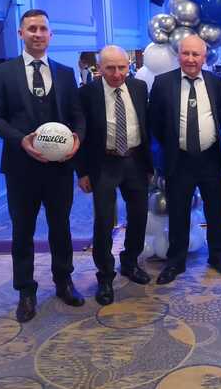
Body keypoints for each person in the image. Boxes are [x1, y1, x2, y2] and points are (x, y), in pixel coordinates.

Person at [0, 9, 85, 323]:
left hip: (59, 168)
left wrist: (78, 139)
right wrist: (21, 140)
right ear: (21, 33)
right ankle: (26, 291)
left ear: (50, 35)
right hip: (20, 168)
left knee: (61, 227)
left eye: (43, 29)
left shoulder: (65, 73)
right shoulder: (3, 72)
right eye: (32, 29)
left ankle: (64, 281)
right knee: (22, 230)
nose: (38, 34)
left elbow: (78, 116)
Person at [148, 34, 221, 284]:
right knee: (177, 212)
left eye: (196, 54)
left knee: (216, 211)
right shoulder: (163, 83)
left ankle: (219, 256)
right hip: (179, 160)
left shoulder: (217, 83)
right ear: (178, 55)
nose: (190, 59)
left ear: (204, 57)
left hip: (210, 158)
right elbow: (154, 123)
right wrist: (168, 150)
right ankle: (176, 261)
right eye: (186, 53)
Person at [76, 45, 154, 305]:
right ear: (99, 68)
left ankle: (130, 262)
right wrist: (82, 172)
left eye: (122, 67)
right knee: (104, 221)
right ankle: (105, 276)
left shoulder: (139, 88)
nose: (118, 73)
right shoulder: (87, 93)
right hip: (103, 164)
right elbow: (80, 135)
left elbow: (146, 126)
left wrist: (149, 166)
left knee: (139, 215)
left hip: (135, 161)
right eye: (110, 68)